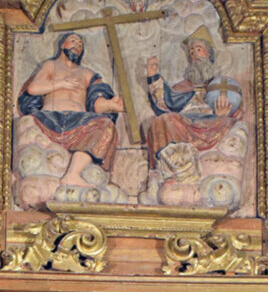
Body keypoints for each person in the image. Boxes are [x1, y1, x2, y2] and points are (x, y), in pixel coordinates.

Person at [17, 32, 124, 187]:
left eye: (80, 44)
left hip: (80, 122)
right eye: (73, 41)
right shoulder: (51, 66)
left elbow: (96, 102)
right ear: (63, 45)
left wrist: (110, 105)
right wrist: (61, 83)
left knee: (106, 125)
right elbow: (33, 88)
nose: (77, 46)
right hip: (49, 119)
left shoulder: (87, 73)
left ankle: (73, 174)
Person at [145, 27, 240, 170]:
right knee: (161, 121)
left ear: (208, 53)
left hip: (212, 123)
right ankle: (165, 168)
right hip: (185, 124)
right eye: (191, 52)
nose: (194, 54)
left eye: (198, 49)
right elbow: (166, 104)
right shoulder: (183, 86)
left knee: (228, 122)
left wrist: (223, 114)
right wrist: (153, 76)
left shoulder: (221, 85)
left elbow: (237, 109)